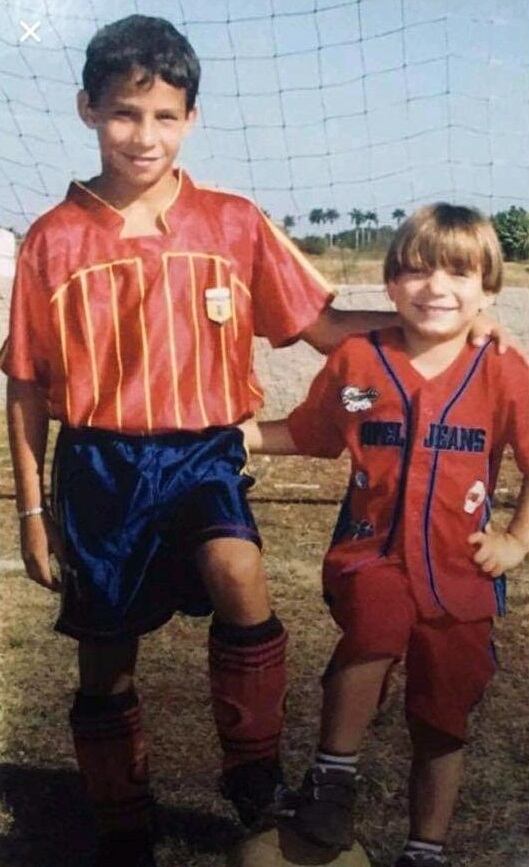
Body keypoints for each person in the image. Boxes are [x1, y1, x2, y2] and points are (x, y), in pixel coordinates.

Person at [242, 204, 529, 867]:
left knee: (441, 723)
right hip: (371, 552)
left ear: (488, 289)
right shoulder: (357, 364)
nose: (436, 287)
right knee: (373, 621)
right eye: (418, 270)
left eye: (459, 273)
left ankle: (423, 847)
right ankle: (331, 776)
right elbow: (314, 432)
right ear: (390, 285)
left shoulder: (501, 370)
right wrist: (246, 434)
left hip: (461, 574)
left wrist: (516, 538)